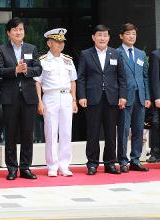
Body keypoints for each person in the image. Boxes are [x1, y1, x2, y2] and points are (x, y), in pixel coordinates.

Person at [0, 17, 42, 180]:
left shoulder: (31, 48)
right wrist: (15, 69)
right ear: (9, 33)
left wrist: (26, 70)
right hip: (10, 97)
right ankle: (12, 168)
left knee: (28, 133)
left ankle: (26, 167)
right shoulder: (2, 49)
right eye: (15, 30)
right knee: (11, 134)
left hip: (28, 97)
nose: (18, 32)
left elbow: (38, 69)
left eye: (21, 29)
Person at [77, 24, 127, 175]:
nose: (102, 38)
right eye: (99, 35)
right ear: (93, 37)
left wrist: (123, 96)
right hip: (93, 98)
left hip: (112, 99)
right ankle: (92, 163)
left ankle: (110, 163)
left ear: (109, 37)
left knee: (111, 133)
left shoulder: (115, 54)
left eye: (105, 35)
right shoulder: (86, 54)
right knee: (93, 133)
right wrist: (81, 96)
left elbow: (122, 78)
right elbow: (81, 78)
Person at [34, 28, 78, 177]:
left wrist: (74, 100)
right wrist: (39, 101)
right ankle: (52, 165)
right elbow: (37, 83)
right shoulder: (42, 61)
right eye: (57, 42)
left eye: (62, 42)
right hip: (50, 96)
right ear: (49, 43)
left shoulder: (68, 60)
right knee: (51, 131)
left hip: (66, 96)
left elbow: (73, 81)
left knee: (66, 131)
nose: (60, 44)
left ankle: (64, 165)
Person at [116, 23, 150, 173]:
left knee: (138, 129)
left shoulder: (141, 54)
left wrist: (147, 96)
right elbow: (115, 77)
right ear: (121, 36)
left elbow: (145, 77)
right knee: (124, 130)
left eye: (134, 34)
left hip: (140, 97)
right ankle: (123, 161)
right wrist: (119, 96)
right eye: (128, 34)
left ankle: (135, 160)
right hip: (125, 97)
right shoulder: (116, 53)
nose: (131, 37)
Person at [149, 48, 160, 163]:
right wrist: (157, 97)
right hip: (159, 98)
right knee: (156, 124)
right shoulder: (156, 54)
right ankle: (155, 153)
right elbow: (154, 78)